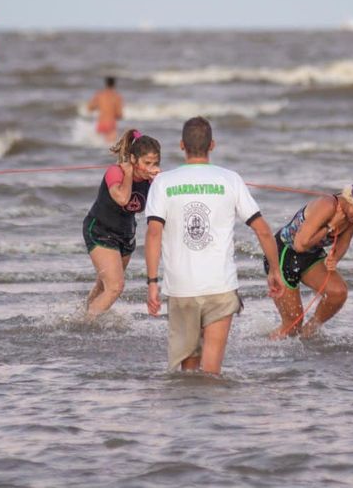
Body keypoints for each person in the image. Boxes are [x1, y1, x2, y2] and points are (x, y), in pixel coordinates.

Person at [145, 117, 285, 374]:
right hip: (220, 285)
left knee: (188, 368)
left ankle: (191, 413)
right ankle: (212, 414)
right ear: (212, 145)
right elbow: (263, 230)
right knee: (211, 370)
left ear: (181, 145)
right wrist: (274, 270)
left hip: (181, 287)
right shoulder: (230, 179)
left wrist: (152, 282)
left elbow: (154, 234)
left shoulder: (163, 182)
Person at [263, 180, 353, 339]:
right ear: (351, 201)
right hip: (284, 254)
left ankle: (309, 331)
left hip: (311, 254)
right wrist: (330, 227)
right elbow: (300, 245)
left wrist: (335, 258)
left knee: (338, 292)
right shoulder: (328, 205)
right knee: (292, 326)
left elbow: (344, 242)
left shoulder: (352, 217)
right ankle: (264, 349)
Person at [84, 128, 161, 317]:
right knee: (115, 287)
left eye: (156, 163)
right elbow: (123, 199)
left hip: (125, 235)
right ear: (133, 160)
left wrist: (162, 182)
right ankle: (86, 324)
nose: (152, 167)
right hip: (100, 230)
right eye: (147, 163)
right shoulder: (115, 172)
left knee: (104, 284)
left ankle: (85, 313)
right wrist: (128, 174)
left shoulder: (152, 180)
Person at [87, 76, 124, 143]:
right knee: (109, 147)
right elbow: (119, 114)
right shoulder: (117, 96)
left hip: (101, 123)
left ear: (106, 84)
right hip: (111, 124)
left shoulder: (99, 95)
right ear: (114, 84)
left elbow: (90, 108)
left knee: (97, 145)